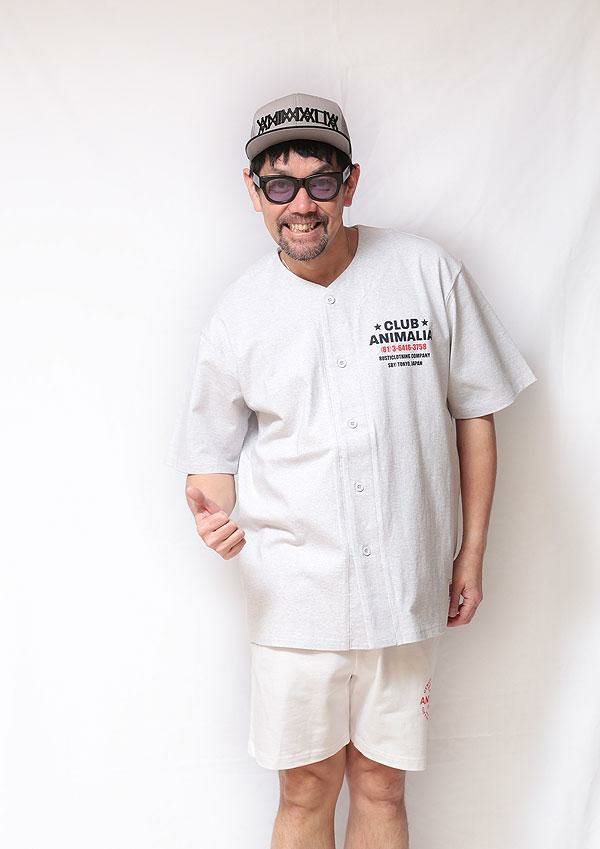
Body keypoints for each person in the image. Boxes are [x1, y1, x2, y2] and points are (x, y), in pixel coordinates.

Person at [166, 92, 538, 849]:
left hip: (405, 580)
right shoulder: (239, 314)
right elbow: (210, 458)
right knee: (306, 788)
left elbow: (475, 412)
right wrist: (210, 515)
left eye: (321, 182)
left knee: (381, 784)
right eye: (280, 185)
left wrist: (470, 552)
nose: (301, 204)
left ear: (351, 182)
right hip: (295, 593)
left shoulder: (425, 272)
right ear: (255, 193)